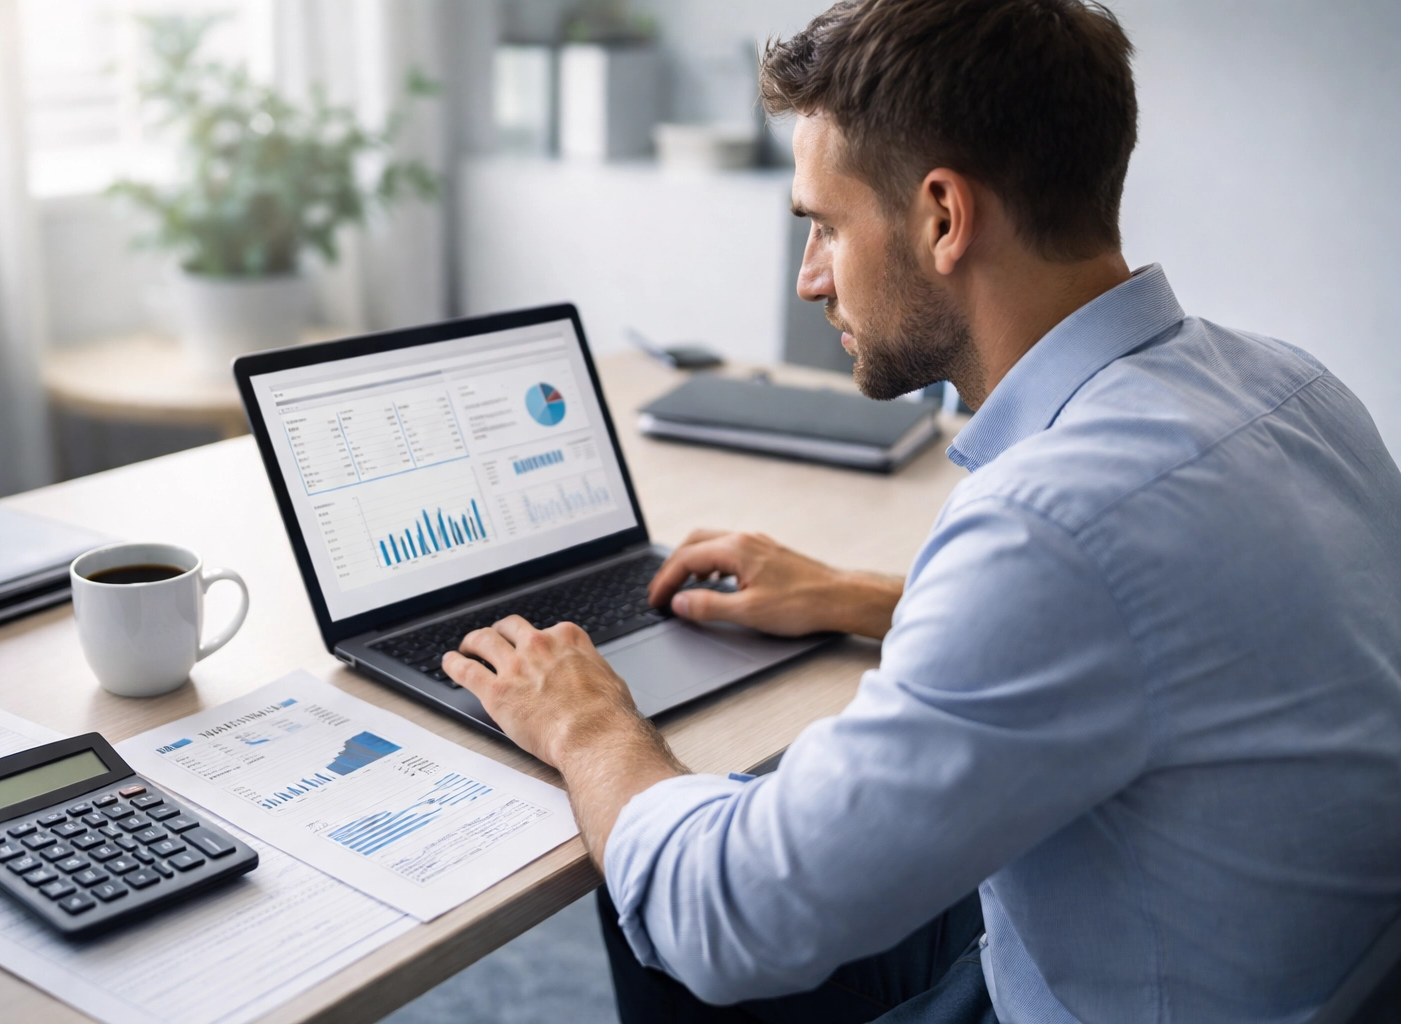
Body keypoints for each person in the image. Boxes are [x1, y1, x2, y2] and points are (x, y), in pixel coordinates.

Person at [442, 0, 1401, 1020]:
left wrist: (588, 722)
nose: (810, 278)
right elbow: (1160, 623)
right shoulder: (1293, 387)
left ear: (943, 217)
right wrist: (860, 595)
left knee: (655, 865)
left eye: (824, 225)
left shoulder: (1050, 527)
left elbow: (723, 921)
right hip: (1284, 964)